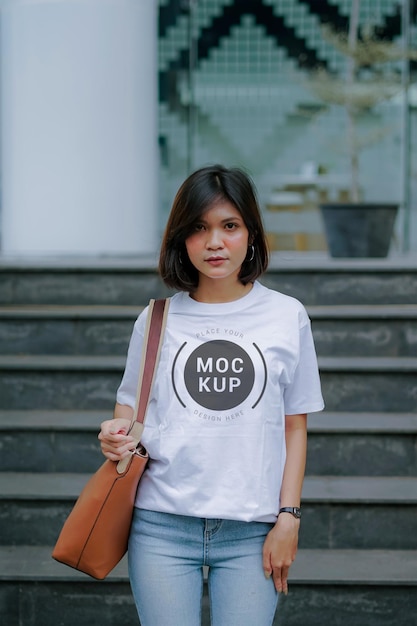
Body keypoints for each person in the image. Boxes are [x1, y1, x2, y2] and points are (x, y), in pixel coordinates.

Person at [98, 164, 324, 626]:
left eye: (230, 226)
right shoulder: (156, 319)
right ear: (182, 238)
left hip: (252, 529)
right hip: (161, 523)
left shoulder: (286, 316)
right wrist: (115, 432)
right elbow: (130, 405)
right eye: (199, 228)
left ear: (251, 233)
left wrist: (289, 517)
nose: (215, 242)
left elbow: (294, 426)